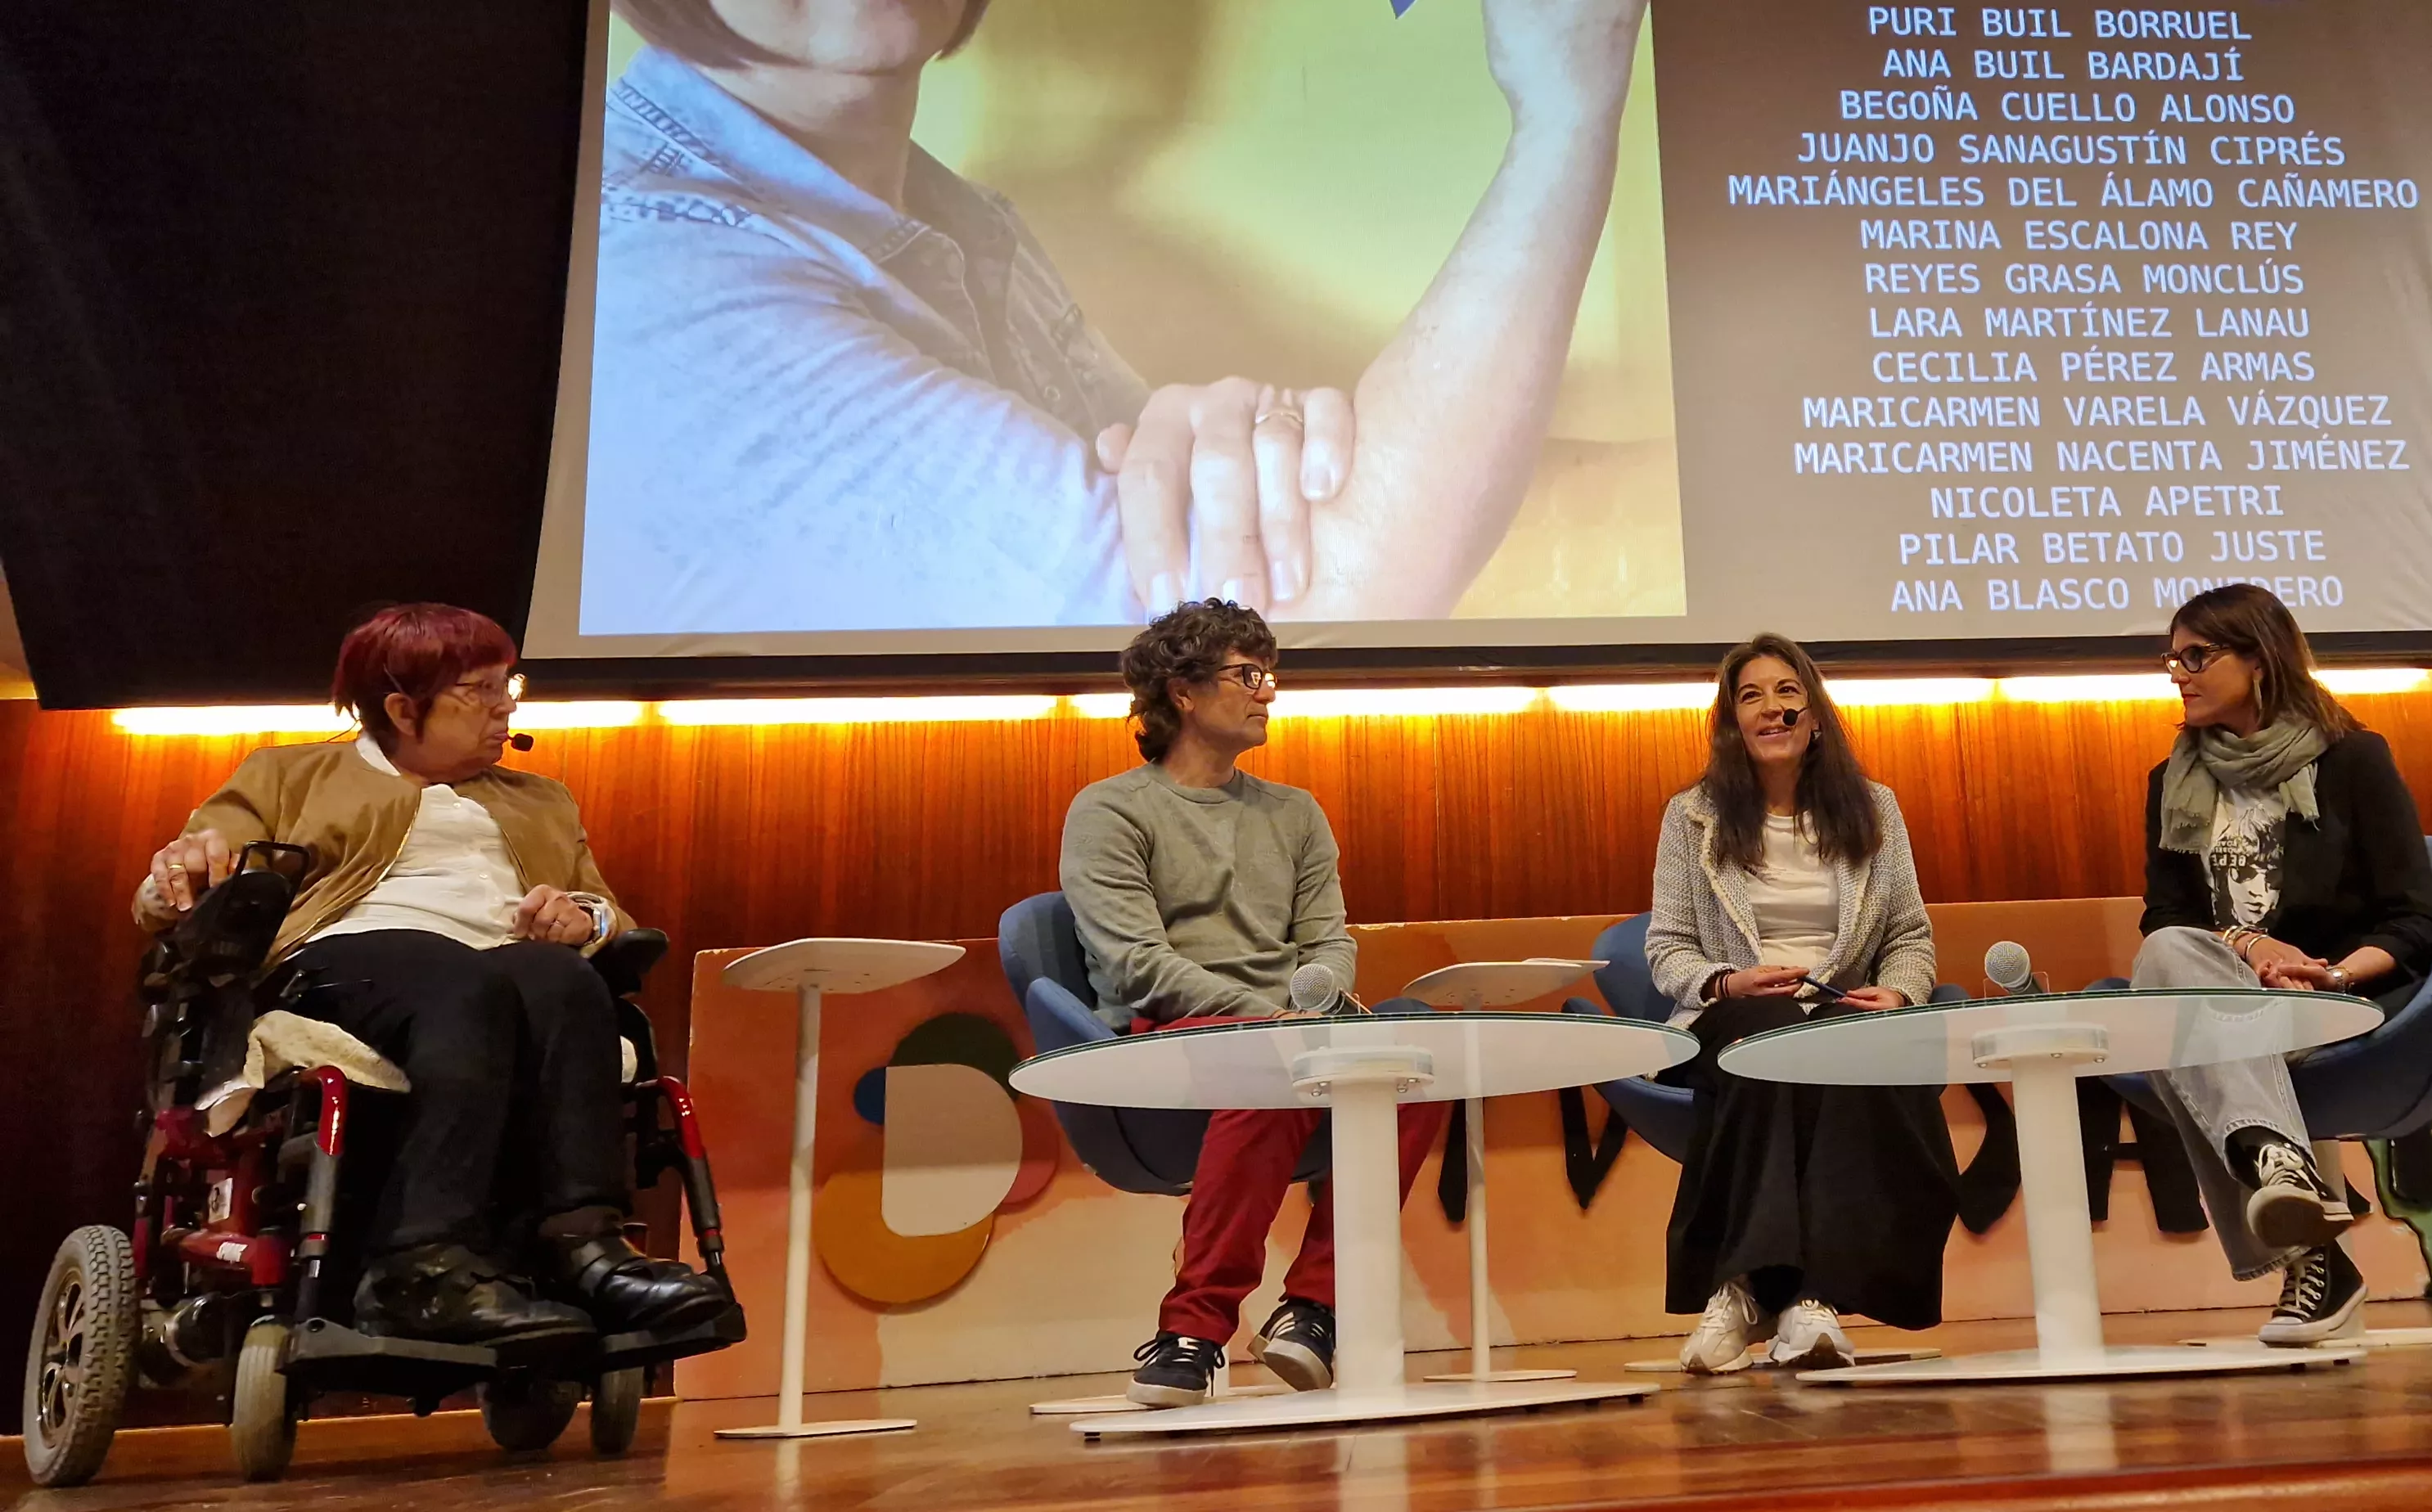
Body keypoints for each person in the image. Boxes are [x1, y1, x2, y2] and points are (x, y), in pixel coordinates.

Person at [591, 0, 1649, 632]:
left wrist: (1260, 449)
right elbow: (1305, 614)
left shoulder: (957, 220)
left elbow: (1242, 549)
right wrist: (1566, 112)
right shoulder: (661, 275)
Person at [131, 605, 728, 1352]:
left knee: (566, 981)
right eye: (480, 691)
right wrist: (178, 875)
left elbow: (603, 909)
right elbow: (177, 890)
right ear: (402, 709)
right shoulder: (287, 775)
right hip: (345, 963)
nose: (506, 706)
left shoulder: (542, 799)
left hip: (499, 968)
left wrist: (584, 920)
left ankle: (583, 1245)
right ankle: (420, 1264)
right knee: (458, 979)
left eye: (509, 684)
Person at [1061, 599, 1452, 1406]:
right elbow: (1137, 965)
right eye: (1247, 675)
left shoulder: (1294, 812)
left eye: (1268, 676)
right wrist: (1276, 1014)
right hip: (1168, 1037)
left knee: (1418, 1047)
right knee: (1270, 1055)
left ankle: (1312, 1309)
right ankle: (1193, 1331)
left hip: (1290, 1024)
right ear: (1183, 692)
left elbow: (1330, 942)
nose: (1266, 693)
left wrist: (1310, 1003)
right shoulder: (1111, 809)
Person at [2124, 585, 2432, 1345]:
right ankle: (2283, 1178)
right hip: (2225, 993)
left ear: (2259, 657)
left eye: (2198, 655)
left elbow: (2418, 919)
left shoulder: (2353, 761)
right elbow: (2169, 920)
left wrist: (2329, 975)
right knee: (2168, 958)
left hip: (2331, 998)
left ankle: (2314, 1255)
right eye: (2173, 657)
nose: (2179, 673)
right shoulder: (2169, 783)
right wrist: (2251, 945)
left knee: (2179, 1034)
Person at [1643, 634, 1957, 1373]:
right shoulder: (1691, 817)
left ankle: (1784, 1297)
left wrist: (1901, 989)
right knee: (1771, 1028)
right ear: (1731, 723)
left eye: (1787, 692)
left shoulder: (1874, 808)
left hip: (1839, 1006)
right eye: (1751, 697)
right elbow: (1668, 949)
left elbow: (1911, 933)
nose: (1772, 709)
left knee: (1843, 1042)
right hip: (1736, 1012)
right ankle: (1774, 1291)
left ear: (1815, 713)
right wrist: (1728, 981)